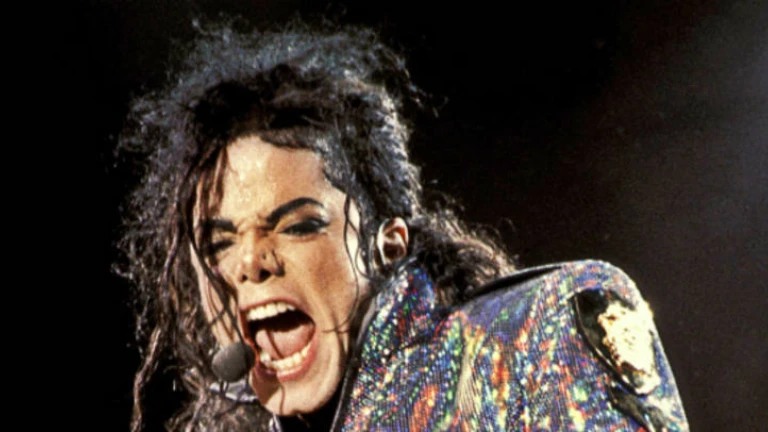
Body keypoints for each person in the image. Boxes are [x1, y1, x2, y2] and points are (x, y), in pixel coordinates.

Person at [117, 21, 689, 431]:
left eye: (297, 226)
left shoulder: (540, 329)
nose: (250, 261)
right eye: (219, 241)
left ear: (387, 244)